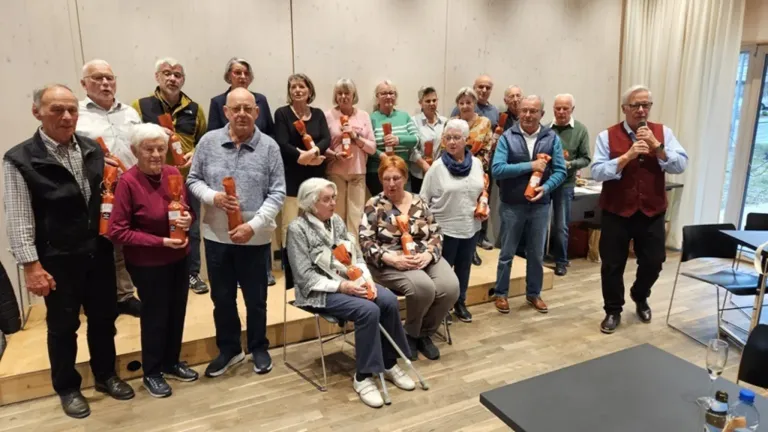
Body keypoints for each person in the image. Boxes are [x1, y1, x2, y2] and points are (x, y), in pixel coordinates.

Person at [4, 84, 134, 418]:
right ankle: (68, 386)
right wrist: (30, 265)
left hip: (99, 252)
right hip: (57, 258)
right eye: (57, 110)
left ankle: (106, 375)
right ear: (37, 112)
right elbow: (18, 217)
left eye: (72, 110)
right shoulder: (19, 158)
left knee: (105, 320)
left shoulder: (92, 148)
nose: (66, 117)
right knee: (63, 327)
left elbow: (104, 199)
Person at [286, 178, 414, 408]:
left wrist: (367, 281)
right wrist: (343, 287)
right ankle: (363, 376)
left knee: (387, 299)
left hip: (349, 282)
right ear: (310, 203)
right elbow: (304, 276)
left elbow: (355, 256)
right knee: (367, 310)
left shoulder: (336, 220)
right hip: (318, 291)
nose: (333, 203)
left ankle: (388, 362)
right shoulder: (297, 229)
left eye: (333, 197)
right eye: (327, 199)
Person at [187, 88, 286, 376]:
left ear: (257, 112)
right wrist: (212, 197)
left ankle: (258, 346)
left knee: (256, 298)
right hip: (216, 237)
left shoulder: (269, 147)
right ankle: (229, 349)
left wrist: (253, 225)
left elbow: (278, 192)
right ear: (226, 112)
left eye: (248, 108)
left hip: (255, 237)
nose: (242, 114)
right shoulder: (207, 142)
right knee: (222, 297)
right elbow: (193, 179)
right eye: (235, 109)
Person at [108, 123, 199, 398]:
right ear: (136, 151)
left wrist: (188, 218)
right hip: (148, 263)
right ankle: (152, 371)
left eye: (161, 148)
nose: (157, 154)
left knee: (177, 311)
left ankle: (172, 362)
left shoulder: (173, 173)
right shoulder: (128, 182)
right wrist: (159, 242)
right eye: (149, 149)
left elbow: (187, 211)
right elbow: (117, 230)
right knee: (155, 316)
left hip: (179, 256)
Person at [592, 85, 688, 334]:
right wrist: (626, 157)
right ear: (625, 108)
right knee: (612, 265)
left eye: (646, 105)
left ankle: (640, 294)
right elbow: (597, 171)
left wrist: (658, 147)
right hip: (617, 211)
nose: (642, 110)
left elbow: (680, 165)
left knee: (655, 262)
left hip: (651, 210)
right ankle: (613, 310)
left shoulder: (662, 133)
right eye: (636, 105)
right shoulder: (606, 136)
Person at [359, 155, 459, 361]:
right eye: (386, 179)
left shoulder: (419, 201)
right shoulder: (374, 204)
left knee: (450, 288)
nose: (391, 183)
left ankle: (421, 333)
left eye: (396, 178)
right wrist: (391, 259)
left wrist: (428, 254)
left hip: (422, 256)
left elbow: (436, 233)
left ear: (405, 177)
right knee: (423, 288)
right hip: (390, 261)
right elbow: (365, 241)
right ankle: (411, 335)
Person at [132, 57, 210, 295]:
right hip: (151, 180)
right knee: (153, 224)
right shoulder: (141, 105)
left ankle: (191, 274)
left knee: (191, 227)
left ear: (183, 79)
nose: (172, 78)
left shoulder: (195, 108)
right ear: (157, 77)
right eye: (166, 73)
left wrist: (194, 154)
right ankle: (158, 274)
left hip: (186, 178)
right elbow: (132, 138)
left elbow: (203, 141)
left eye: (177, 75)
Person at [76, 59, 142, 317]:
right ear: (84, 84)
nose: (105, 83)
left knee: (129, 243)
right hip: (97, 191)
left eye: (109, 78)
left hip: (131, 186)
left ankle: (127, 295)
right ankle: (109, 298)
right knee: (105, 245)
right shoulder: (77, 114)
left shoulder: (129, 112)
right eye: (97, 78)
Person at [491, 95, 567, 315]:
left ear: (541, 114)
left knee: (536, 254)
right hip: (512, 205)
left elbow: (561, 171)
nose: (527, 115)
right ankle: (501, 294)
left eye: (533, 111)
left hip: (540, 205)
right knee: (506, 253)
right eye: (524, 110)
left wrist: (547, 187)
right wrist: (530, 165)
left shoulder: (551, 138)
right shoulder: (507, 137)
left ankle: (534, 294)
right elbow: (498, 169)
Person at [421, 119, 486, 323]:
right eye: (447, 138)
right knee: (445, 271)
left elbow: (481, 190)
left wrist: (484, 204)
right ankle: (443, 307)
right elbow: (423, 199)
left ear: (466, 140)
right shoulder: (437, 168)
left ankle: (460, 302)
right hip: (444, 228)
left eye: (456, 138)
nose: (452, 142)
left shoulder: (476, 164)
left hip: (470, 226)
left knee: (464, 267)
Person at [274, 73, 330, 252]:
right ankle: (291, 265)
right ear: (289, 92)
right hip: (292, 177)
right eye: (293, 87)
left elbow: (326, 139)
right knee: (290, 224)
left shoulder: (318, 113)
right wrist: (304, 159)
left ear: (309, 90)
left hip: (316, 177)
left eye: (302, 86)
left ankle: (316, 263)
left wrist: (313, 153)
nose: (297, 90)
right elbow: (282, 143)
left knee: (315, 222)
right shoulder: (282, 113)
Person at [324, 78, 376, 236]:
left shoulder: (363, 115)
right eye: (339, 93)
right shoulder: (327, 115)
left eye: (347, 93)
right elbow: (322, 146)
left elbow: (372, 148)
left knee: (356, 216)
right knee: (336, 215)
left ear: (354, 95)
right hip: (335, 172)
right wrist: (334, 154)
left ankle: (354, 252)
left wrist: (355, 136)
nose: (343, 96)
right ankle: (339, 251)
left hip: (357, 172)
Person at [450, 87, 494, 265]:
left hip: (477, 173)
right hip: (455, 173)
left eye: (469, 102)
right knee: (459, 210)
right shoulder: (452, 123)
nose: (465, 106)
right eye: (461, 103)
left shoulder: (485, 122)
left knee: (477, 211)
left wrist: (472, 163)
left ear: (475, 103)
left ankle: (473, 248)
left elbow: (488, 148)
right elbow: (448, 148)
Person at [549, 94, 591, 276]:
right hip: (544, 182)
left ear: (572, 110)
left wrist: (570, 164)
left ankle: (561, 261)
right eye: (557, 108)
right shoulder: (546, 130)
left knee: (561, 225)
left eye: (565, 108)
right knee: (538, 222)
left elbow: (586, 158)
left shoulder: (580, 130)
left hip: (565, 183)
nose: (561, 112)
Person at [368, 80, 419, 196]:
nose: (388, 96)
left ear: (396, 97)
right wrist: (381, 155)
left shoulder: (404, 116)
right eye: (384, 93)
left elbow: (416, 139)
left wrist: (398, 139)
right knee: (382, 207)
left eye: (391, 93)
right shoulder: (371, 118)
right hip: (377, 172)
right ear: (377, 97)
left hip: (402, 171)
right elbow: (367, 146)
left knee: (404, 206)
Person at [208, 57, 274, 137]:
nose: (243, 76)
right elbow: (212, 137)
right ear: (229, 76)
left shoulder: (261, 100)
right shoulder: (218, 102)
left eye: (246, 73)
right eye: (238, 73)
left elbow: (271, 133)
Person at [409, 86, 447, 194]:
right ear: (420, 103)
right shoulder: (413, 121)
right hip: (419, 174)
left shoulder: (445, 122)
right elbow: (411, 148)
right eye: (428, 101)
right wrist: (424, 165)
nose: (432, 103)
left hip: (439, 173)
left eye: (434, 100)